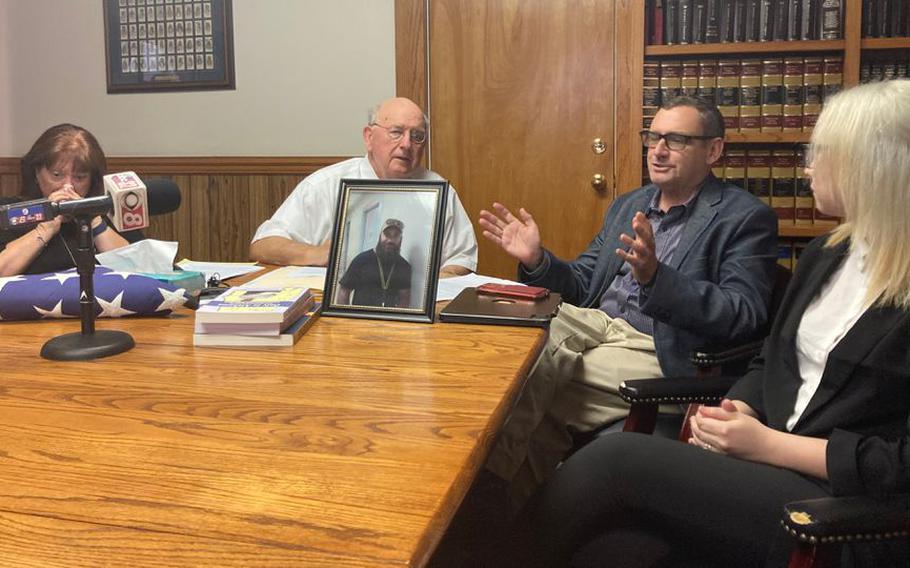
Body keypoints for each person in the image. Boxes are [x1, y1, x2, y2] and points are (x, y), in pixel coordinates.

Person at [527, 80, 910, 567]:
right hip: (762, 456)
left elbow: (899, 466)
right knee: (608, 549)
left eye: (823, 152)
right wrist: (743, 407)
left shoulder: (744, 216)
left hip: (838, 506)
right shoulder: (827, 255)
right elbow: (772, 353)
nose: (807, 166)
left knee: (614, 460)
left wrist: (772, 443)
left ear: (876, 167)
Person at [477, 96, 779, 504]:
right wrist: (537, 258)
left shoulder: (744, 217)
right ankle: (511, 526)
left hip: (658, 347)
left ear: (713, 150)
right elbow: (582, 285)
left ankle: (486, 490)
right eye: (653, 137)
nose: (658, 149)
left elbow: (744, 313)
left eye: (676, 139)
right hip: (594, 329)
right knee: (529, 328)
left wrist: (657, 278)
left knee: (541, 386)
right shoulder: (630, 205)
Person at [249, 97, 477, 277]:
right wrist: (317, 254)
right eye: (396, 132)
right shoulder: (326, 185)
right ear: (369, 137)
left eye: (417, 136)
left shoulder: (439, 190)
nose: (407, 144)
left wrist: (431, 285)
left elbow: (462, 258)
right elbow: (263, 245)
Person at [0, 124, 131, 276]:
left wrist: (92, 220)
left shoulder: (108, 213)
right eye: (57, 175)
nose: (68, 186)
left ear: (92, 180)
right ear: (36, 173)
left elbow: (135, 271)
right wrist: (46, 228)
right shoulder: (10, 213)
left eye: (80, 177)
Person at [337, 218, 412, 308]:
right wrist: (346, 317)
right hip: (361, 317)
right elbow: (344, 290)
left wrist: (396, 319)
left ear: (400, 239)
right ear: (380, 236)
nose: (390, 240)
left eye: (395, 236)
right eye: (387, 235)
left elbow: (404, 297)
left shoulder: (404, 266)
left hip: (388, 319)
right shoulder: (361, 260)